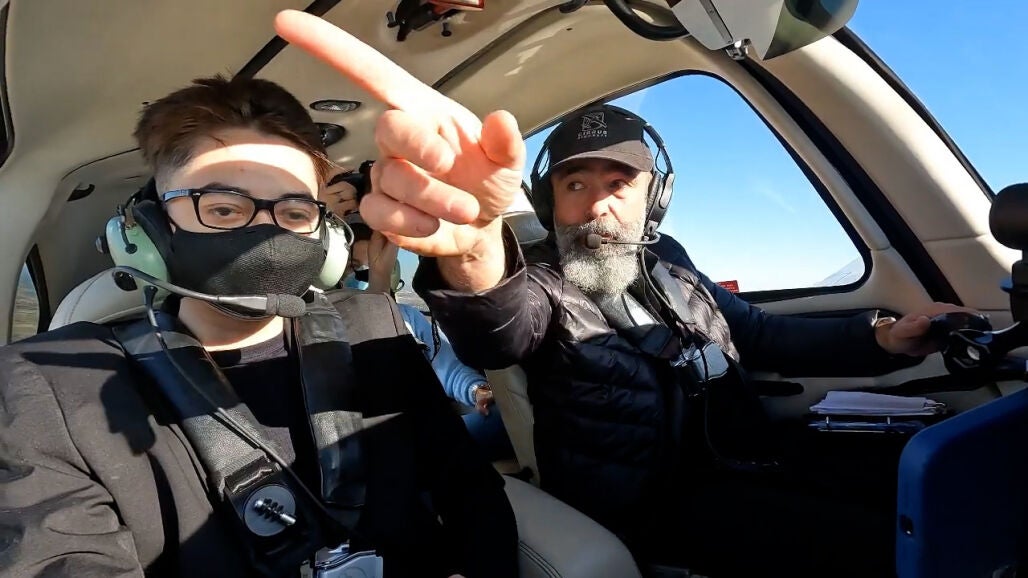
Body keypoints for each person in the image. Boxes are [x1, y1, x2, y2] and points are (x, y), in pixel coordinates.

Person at [270, 11, 983, 577]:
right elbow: (498, 329)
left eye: (620, 183)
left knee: (927, 483)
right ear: (550, 202)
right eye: (575, 184)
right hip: (652, 502)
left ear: (654, 198)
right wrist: (478, 250)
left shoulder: (669, 261)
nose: (598, 203)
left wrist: (883, 337)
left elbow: (757, 332)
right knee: (875, 544)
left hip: (748, 453)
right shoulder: (540, 280)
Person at [0, 74, 517, 578]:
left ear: (327, 242)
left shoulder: (373, 329)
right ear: (149, 233)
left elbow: (471, 494)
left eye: (293, 214)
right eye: (223, 209)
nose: (264, 237)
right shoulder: (48, 387)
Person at [331, 211, 514, 462]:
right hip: (358, 445)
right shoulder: (320, 322)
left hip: (422, 434)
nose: (363, 275)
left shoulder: (407, 316)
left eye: (372, 267)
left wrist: (478, 390)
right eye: (354, 267)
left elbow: (448, 370)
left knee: (504, 416)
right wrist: (377, 286)